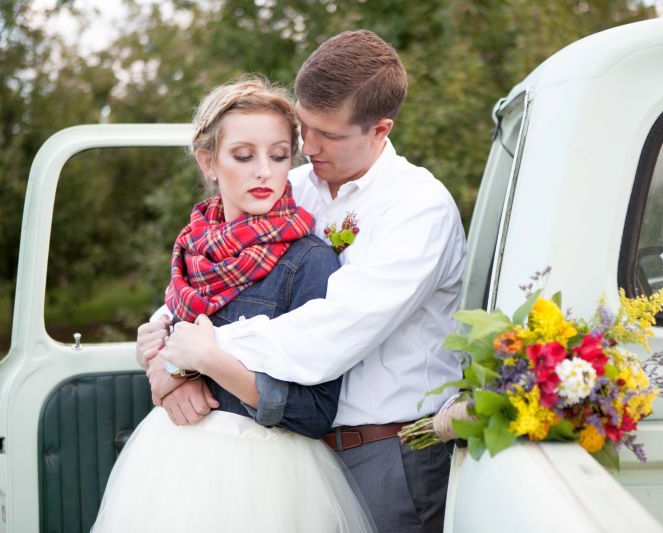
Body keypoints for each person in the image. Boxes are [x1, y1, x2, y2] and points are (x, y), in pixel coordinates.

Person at [155, 30, 467, 533]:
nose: (309, 147)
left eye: (330, 135)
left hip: (386, 456)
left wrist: (197, 350)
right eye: (304, 128)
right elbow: (212, 280)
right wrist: (161, 353)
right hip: (289, 453)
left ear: (380, 130)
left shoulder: (417, 208)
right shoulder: (290, 185)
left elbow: (328, 334)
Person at [93, 78, 376, 533]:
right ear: (209, 162)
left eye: (279, 155)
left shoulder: (310, 260)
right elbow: (169, 335)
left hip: (268, 480)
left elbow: (314, 411)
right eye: (243, 156)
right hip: (172, 466)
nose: (264, 171)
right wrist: (166, 376)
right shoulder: (193, 248)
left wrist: (209, 361)